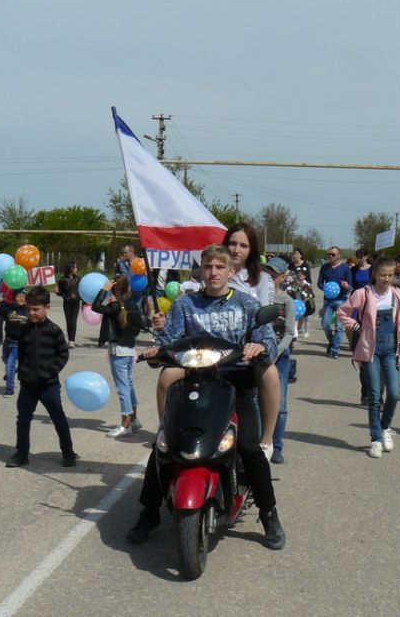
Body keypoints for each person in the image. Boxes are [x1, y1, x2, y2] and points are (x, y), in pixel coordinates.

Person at [126, 244, 284, 549]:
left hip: (235, 385)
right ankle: (149, 512)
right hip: (195, 382)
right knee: (164, 444)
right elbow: (169, 341)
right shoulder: (185, 305)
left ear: (231, 272)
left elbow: (268, 339)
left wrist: (259, 347)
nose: (213, 272)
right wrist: (157, 352)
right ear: (201, 270)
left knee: (250, 447)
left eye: (220, 267)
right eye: (208, 267)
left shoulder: (248, 305)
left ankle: (269, 514)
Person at [338, 256, 400, 459]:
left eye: (390, 275)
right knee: (375, 395)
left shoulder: (397, 295)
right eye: (382, 275)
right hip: (370, 350)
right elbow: (342, 312)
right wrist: (357, 326)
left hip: (390, 349)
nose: (386, 279)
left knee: (394, 393)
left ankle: (385, 427)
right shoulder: (363, 294)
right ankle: (375, 439)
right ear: (374, 274)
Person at [221, 223, 280, 457]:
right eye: (232, 243)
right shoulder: (212, 272)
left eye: (243, 245)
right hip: (213, 351)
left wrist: (258, 345)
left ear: (251, 250)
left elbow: (265, 319)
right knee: (169, 374)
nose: (236, 250)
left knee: (270, 372)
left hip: (251, 350)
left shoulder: (262, 280)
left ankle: (265, 442)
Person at [6, 286, 78, 468]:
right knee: (23, 419)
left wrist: (50, 371)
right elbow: (21, 353)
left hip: (48, 386)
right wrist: (23, 372)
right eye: (29, 309)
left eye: (36, 309)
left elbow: (63, 355)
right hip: (28, 386)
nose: (32, 313)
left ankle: (68, 453)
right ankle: (22, 453)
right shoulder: (24, 330)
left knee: (58, 418)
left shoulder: (54, 331)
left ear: (47, 307)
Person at [91, 275, 144, 438]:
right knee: (128, 385)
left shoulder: (114, 307)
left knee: (123, 389)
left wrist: (104, 290)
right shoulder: (133, 306)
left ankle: (125, 425)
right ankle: (134, 420)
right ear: (128, 289)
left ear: (113, 290)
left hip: (118, 352)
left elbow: (95, 306)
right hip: (130, 351)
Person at [263, 257, 295, 465]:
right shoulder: (257, 297)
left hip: (280, 358)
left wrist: (276, 351)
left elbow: (290, 333)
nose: (269, 277)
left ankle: (277, 445)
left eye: (274, 274)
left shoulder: (287, 301)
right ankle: (260, 441)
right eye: (267, 272)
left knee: (280, 405)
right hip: (260, 357)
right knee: (259, 402)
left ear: (283, 277)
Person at [318, 246, 353, 358]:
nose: (330, 256)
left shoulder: (345, 268)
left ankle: (335, 350)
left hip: (341, 299)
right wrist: (325, 288)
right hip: (328, 300)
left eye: (333, 254)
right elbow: (319, 283)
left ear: (339, 255)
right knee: (325, 324)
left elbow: (350, 287)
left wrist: (346, 286)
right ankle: (333, 341)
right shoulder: (324, 267)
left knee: (339, 327)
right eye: (329, 254)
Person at [0, 289, 28, 396]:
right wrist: (1, 301)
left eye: (23, 296)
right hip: (7, 341)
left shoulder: (28, 310)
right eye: (19, 296)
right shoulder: (9, 309)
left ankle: (10, 389)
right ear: (14, 298)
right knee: (4, 359)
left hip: (18, 344)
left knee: (10, 364)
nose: (21, 298)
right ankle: (13, 371)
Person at [55, 262, 82, 347]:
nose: (76, 269)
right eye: (75, 267)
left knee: (73, 321)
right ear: (71, 269)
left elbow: (81, 290)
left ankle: (72, 340)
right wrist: (58, 293)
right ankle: (70, 339)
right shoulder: (63, 280)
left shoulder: (78, 278)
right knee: (68, 321)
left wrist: (83, 300)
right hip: (67, 303)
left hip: (76, 303)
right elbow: (61, 292)